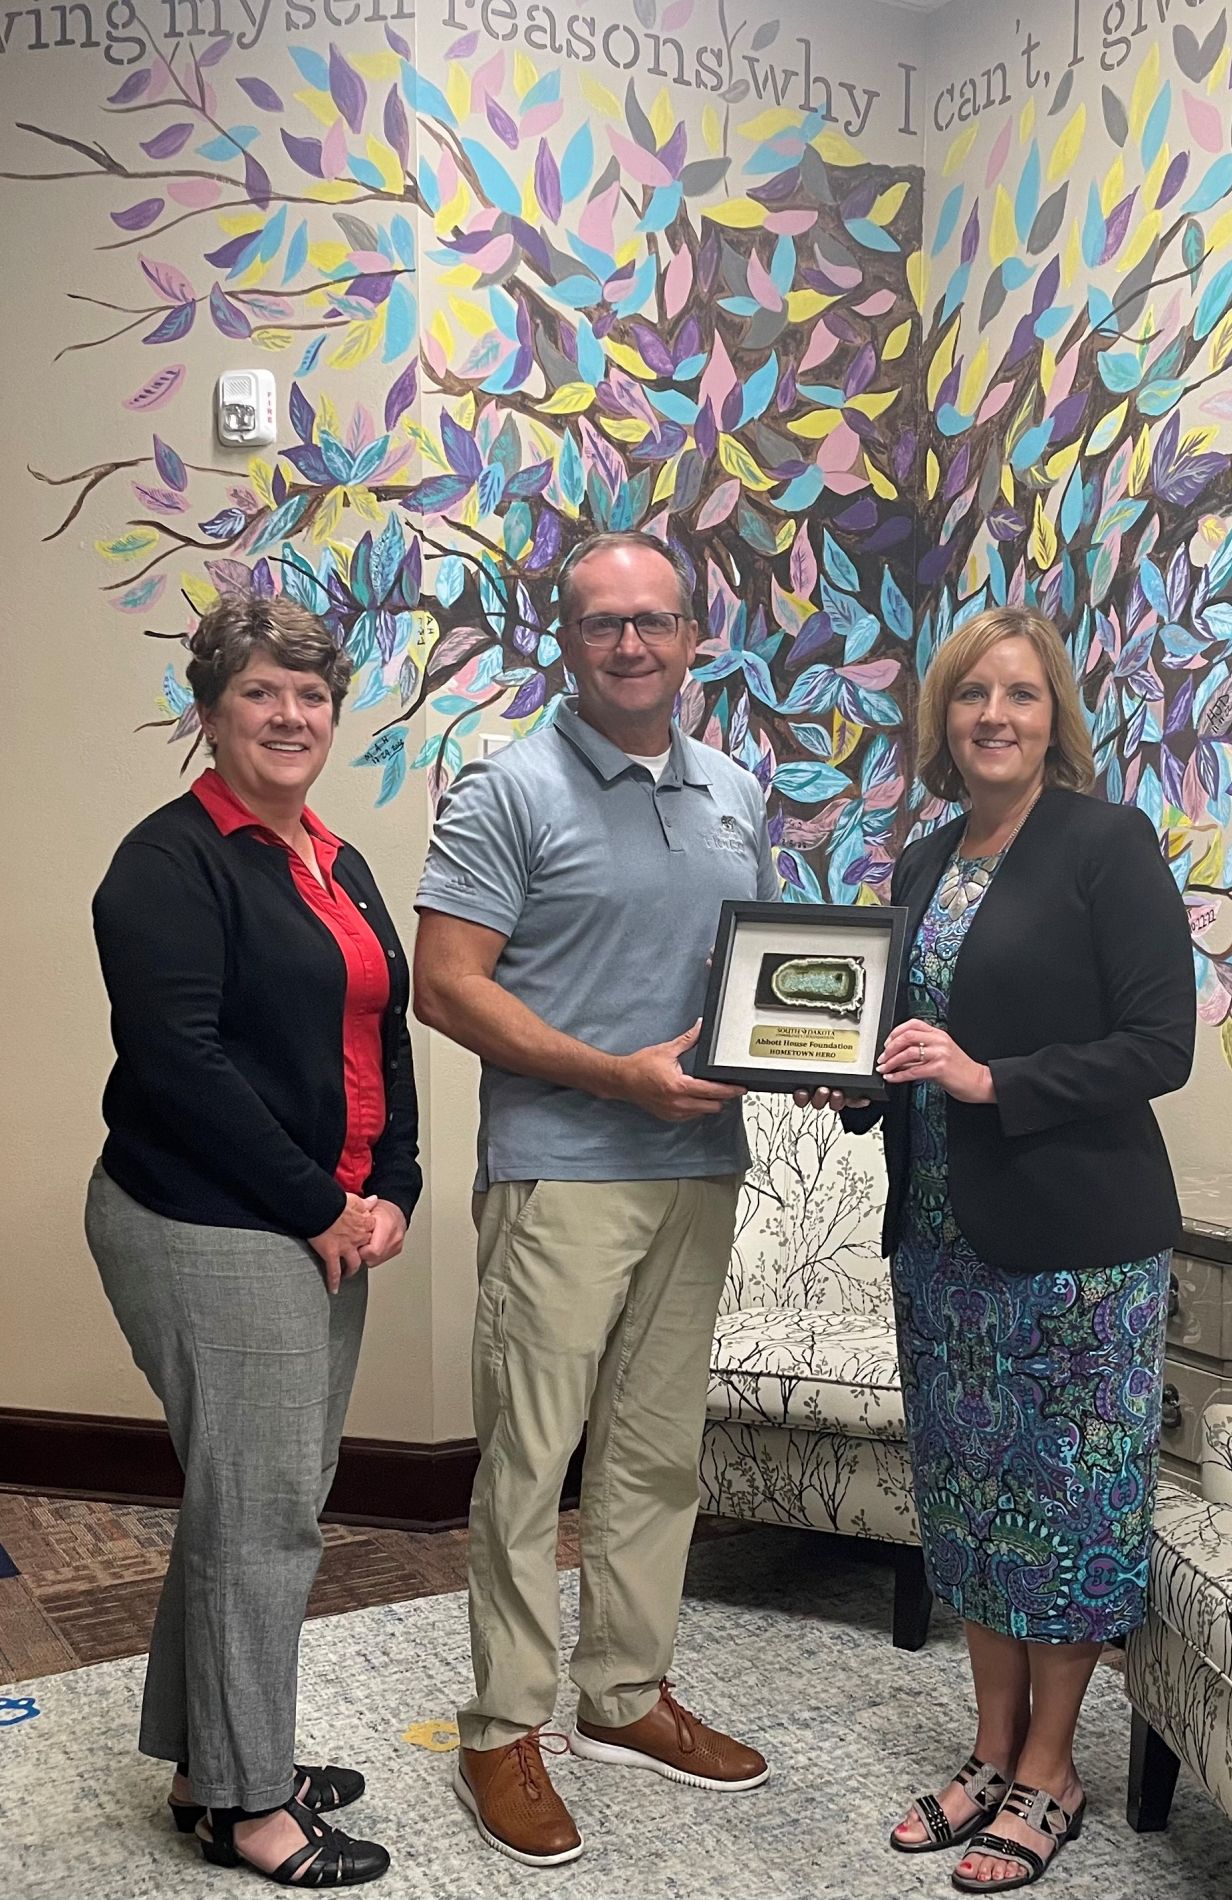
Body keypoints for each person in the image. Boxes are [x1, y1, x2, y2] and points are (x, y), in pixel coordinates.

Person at [807, 604, 1195, 1892]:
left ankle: (1052, 1767)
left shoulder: (1106, 845)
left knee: (1068, 1507)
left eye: (1021, 695)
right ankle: (987, 1750)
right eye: (973, 695)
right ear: (944, 718)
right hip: (941, 1242)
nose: (995, 716)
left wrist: (991, 1080)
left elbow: (1160, 1047)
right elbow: (902, 1041)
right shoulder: (923, 862)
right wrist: (854, 1081)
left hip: (1079, 1248)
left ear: (1053, 717)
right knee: (971, 1501)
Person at [413, 529, 779, 1868]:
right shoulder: (507, 788)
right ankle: (502, 1727)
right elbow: (444, 983)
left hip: (698, 1171)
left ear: (694, 639)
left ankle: (625, 1693)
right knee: (528, 1461)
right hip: (561, 1172)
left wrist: (805, 1058)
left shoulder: (736, 789)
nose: (631, 644)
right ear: (565, 641)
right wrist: (612, 1077)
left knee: (655, 1453)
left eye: (654, 621)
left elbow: (760, 981)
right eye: (602, 623)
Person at [85, 594, 421, 1888]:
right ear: (210, 714)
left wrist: (393, 1184)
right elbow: (183, 1068)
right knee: (265, 1517)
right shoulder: (166, 864)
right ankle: (246, 1806)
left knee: (251, 1497)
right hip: (207, 1216)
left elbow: (380, 1028)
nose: (290, 716)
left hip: (315, 1215)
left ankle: (205, 1761)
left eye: (311, 695)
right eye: (260, 693)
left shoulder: (332, 856)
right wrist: (320, 1204)